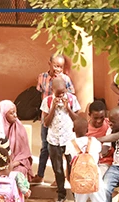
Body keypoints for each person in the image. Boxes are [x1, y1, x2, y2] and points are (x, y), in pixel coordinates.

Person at [65, 115, 116, 202]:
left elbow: (68, 164)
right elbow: (99, 156)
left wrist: (69, 179)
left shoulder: (70, 144)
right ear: (88, 129)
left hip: (79, 181)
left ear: (73, 129)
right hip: (95, 180)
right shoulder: (94, 141)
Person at [35, 53, 74, 183]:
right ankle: (40, 174)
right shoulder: (42, 77)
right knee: (45, 146)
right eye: (56, 66)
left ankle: (60, 178)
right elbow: (41, 94)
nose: (58, 69)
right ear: (49, 64)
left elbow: (71, 95)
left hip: (61, 120)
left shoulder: (65, 79)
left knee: (61, 150)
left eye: (61, 67)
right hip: (47, 117)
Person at [41, 77, 80, 202]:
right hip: (54, 140)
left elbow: (77, 120)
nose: (61, 96)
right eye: (58, 94)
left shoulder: (72, 99)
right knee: (57, 169)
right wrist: (53, 107)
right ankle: (61, 194)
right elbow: (46, 123)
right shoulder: (47, 101)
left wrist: (68, 108)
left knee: (72, 168)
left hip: (69, 139)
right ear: (52, 90)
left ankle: (76, 195)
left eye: (63, 92)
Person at [0, 100, 34, 179]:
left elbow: (24, 154)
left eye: (15, 112)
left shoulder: (19, 128)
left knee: (19, 172)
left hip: (16, 163)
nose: (15, 115)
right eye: (11, 113)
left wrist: (12, 165)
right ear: (3, 114)